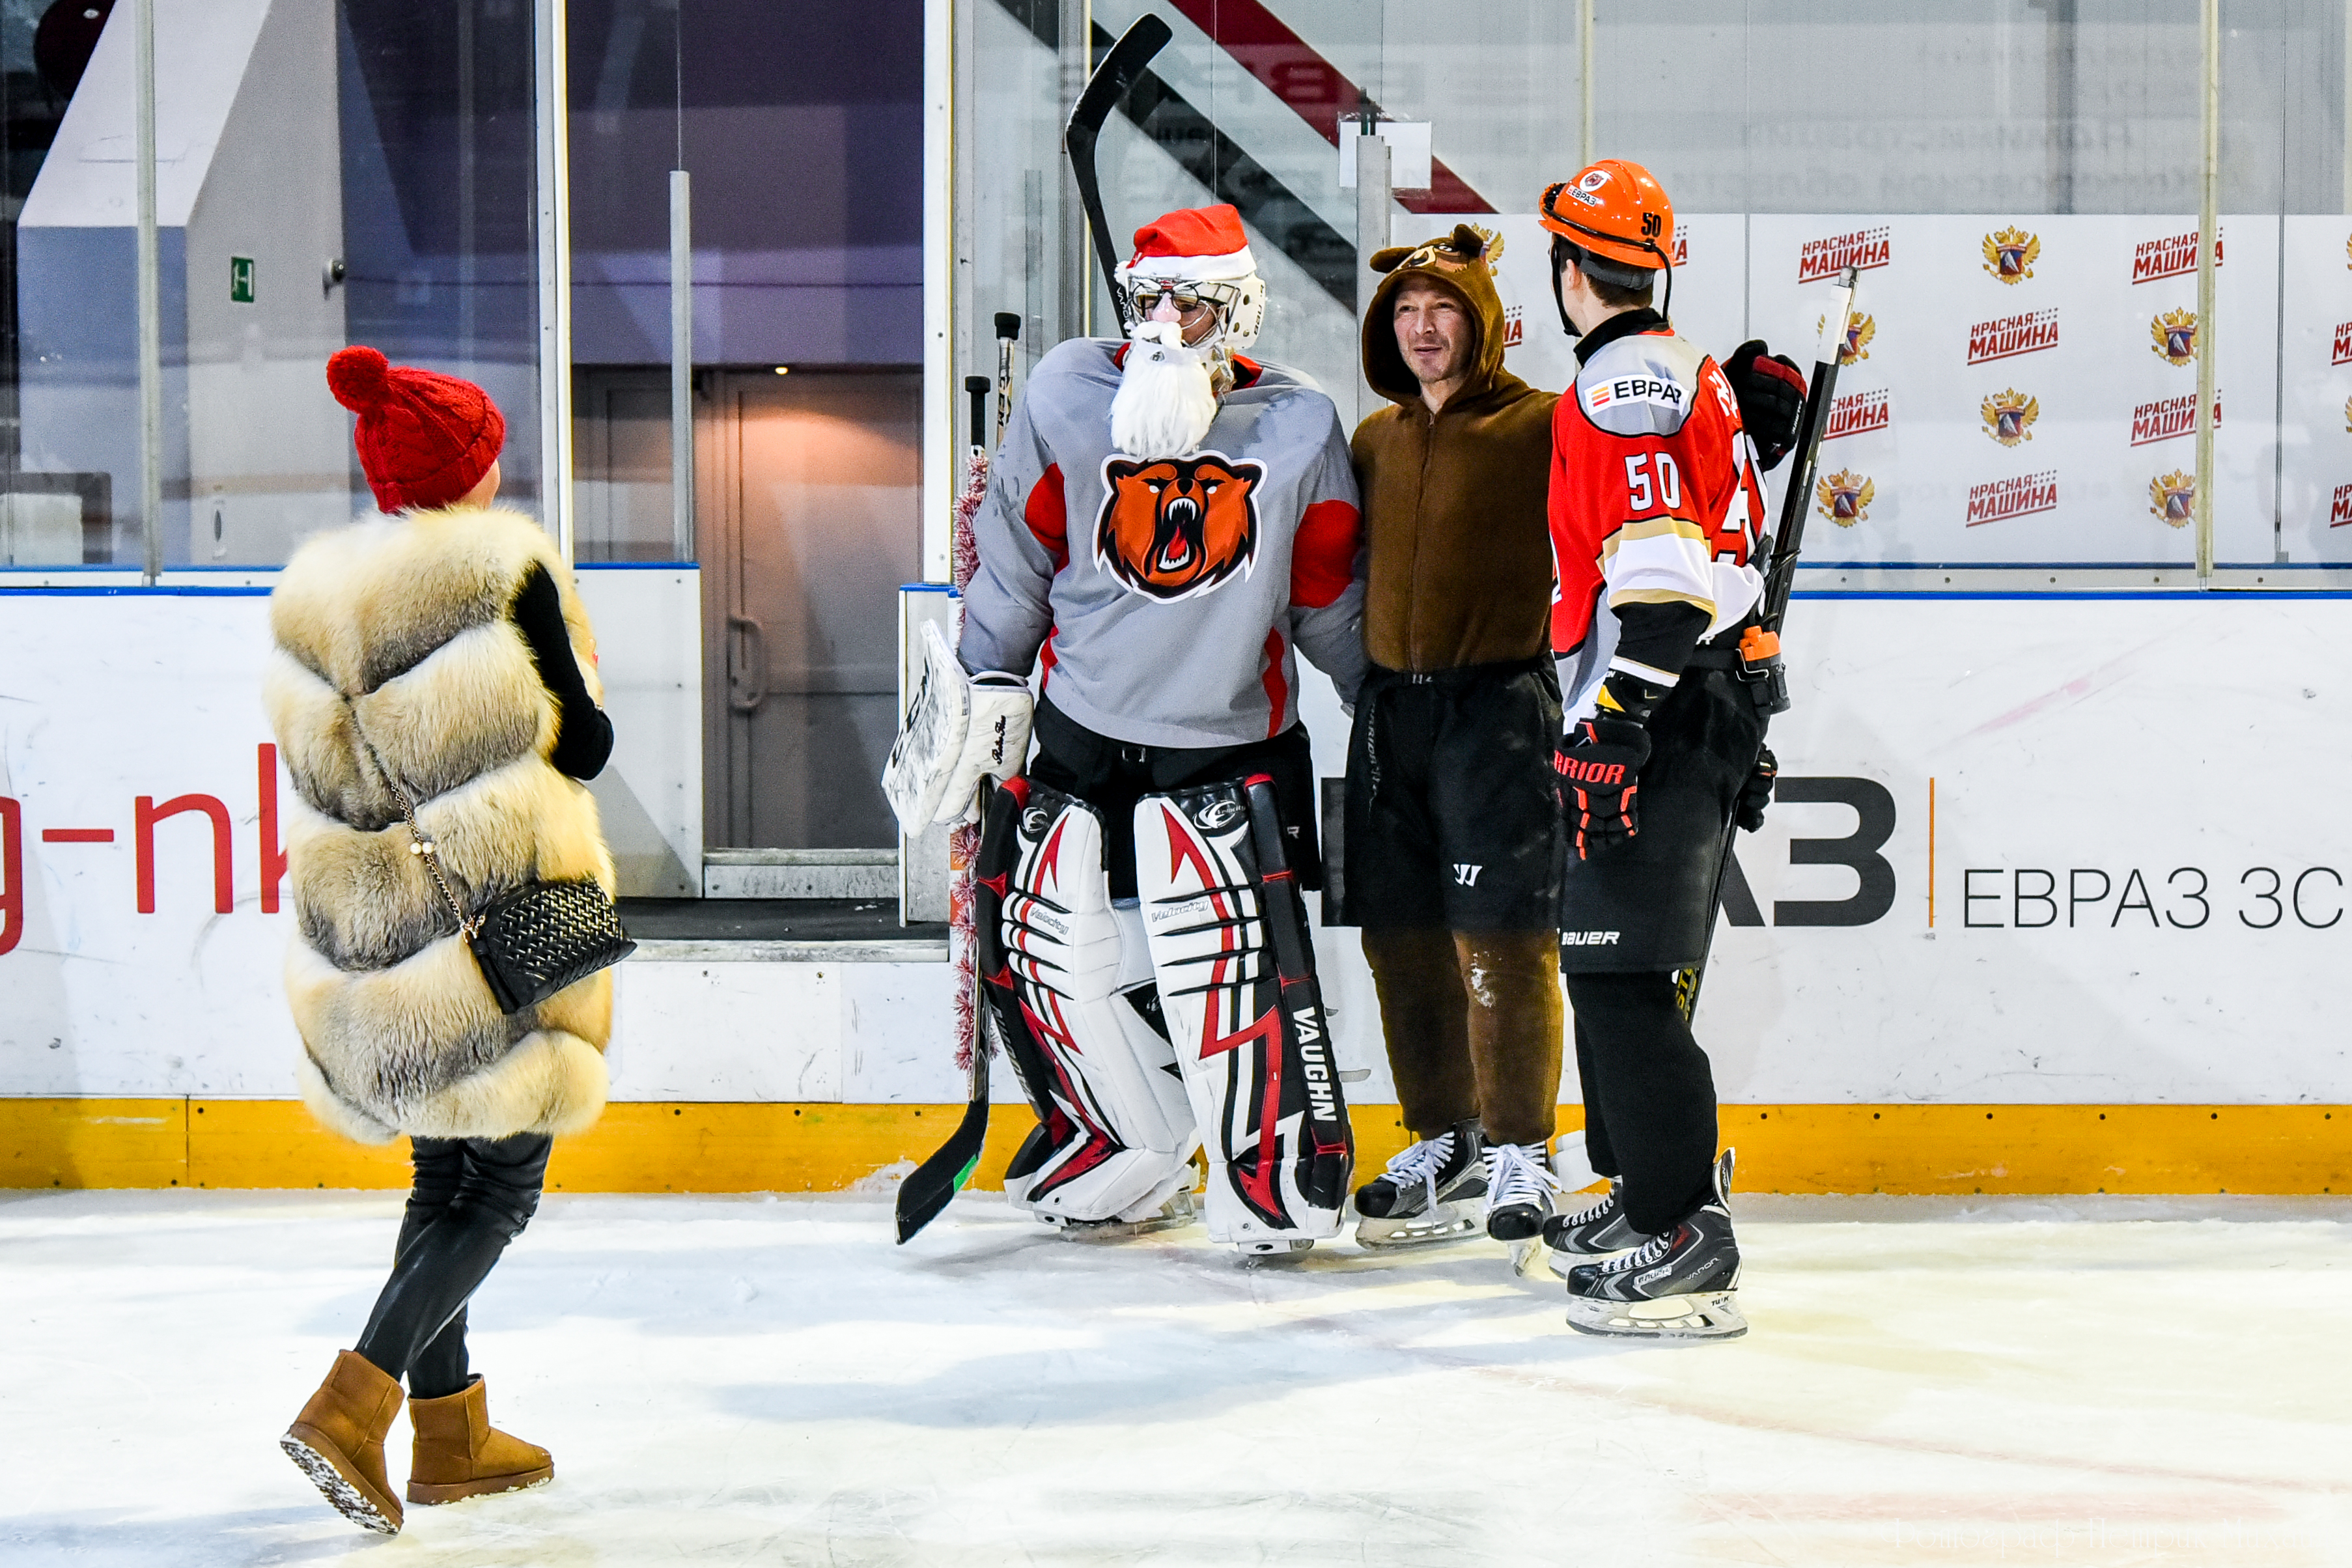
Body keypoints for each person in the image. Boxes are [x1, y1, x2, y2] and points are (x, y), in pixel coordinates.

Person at [888, 203, 1367, 1255]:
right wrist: (983, 686)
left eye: (1188, 300)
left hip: (1233, 738)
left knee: (1227, 966)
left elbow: (1327, 596)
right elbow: (1013, 556)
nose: (1162, 319)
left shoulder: (1298, 425)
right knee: (1052, 949)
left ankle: (1268, 1168)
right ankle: (1119, 1143)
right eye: (1145, 297)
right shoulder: (1067, 388)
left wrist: (1390, 698)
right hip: (1082, 728)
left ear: (1237, 309)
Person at [1340, 224, 1805, 1277]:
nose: (1421, 328)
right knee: (1411, 936)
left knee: (1537, 949)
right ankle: (1467, 1143)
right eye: (1404, 311)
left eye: (1443, 309)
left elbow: (1646, 460)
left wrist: (1730, 404)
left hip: (1521, 702)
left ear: (1502, 315)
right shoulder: (1372, 438)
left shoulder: (1557, 412)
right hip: (1395, 715)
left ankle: (1534, 1154)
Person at [267, 346, 619, 1532]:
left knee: (441, 1167)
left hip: (385, 947)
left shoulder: (320, 602)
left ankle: (449, 1431)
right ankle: (351, 1404)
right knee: (502, 1185)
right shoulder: (505, 573)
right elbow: (581, 749)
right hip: (498, 929)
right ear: (472, 467)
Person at [1537, 160, 1797, 1339]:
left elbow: (1658, 572)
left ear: (1566, 269)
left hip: (1663, 702)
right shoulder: (1676, 372)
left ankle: (1689, 1232)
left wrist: (1615, 716)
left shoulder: (1623, 378)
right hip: (1704, 695)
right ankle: (1647, 1195)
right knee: (1608, 967)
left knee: (1622, 975)